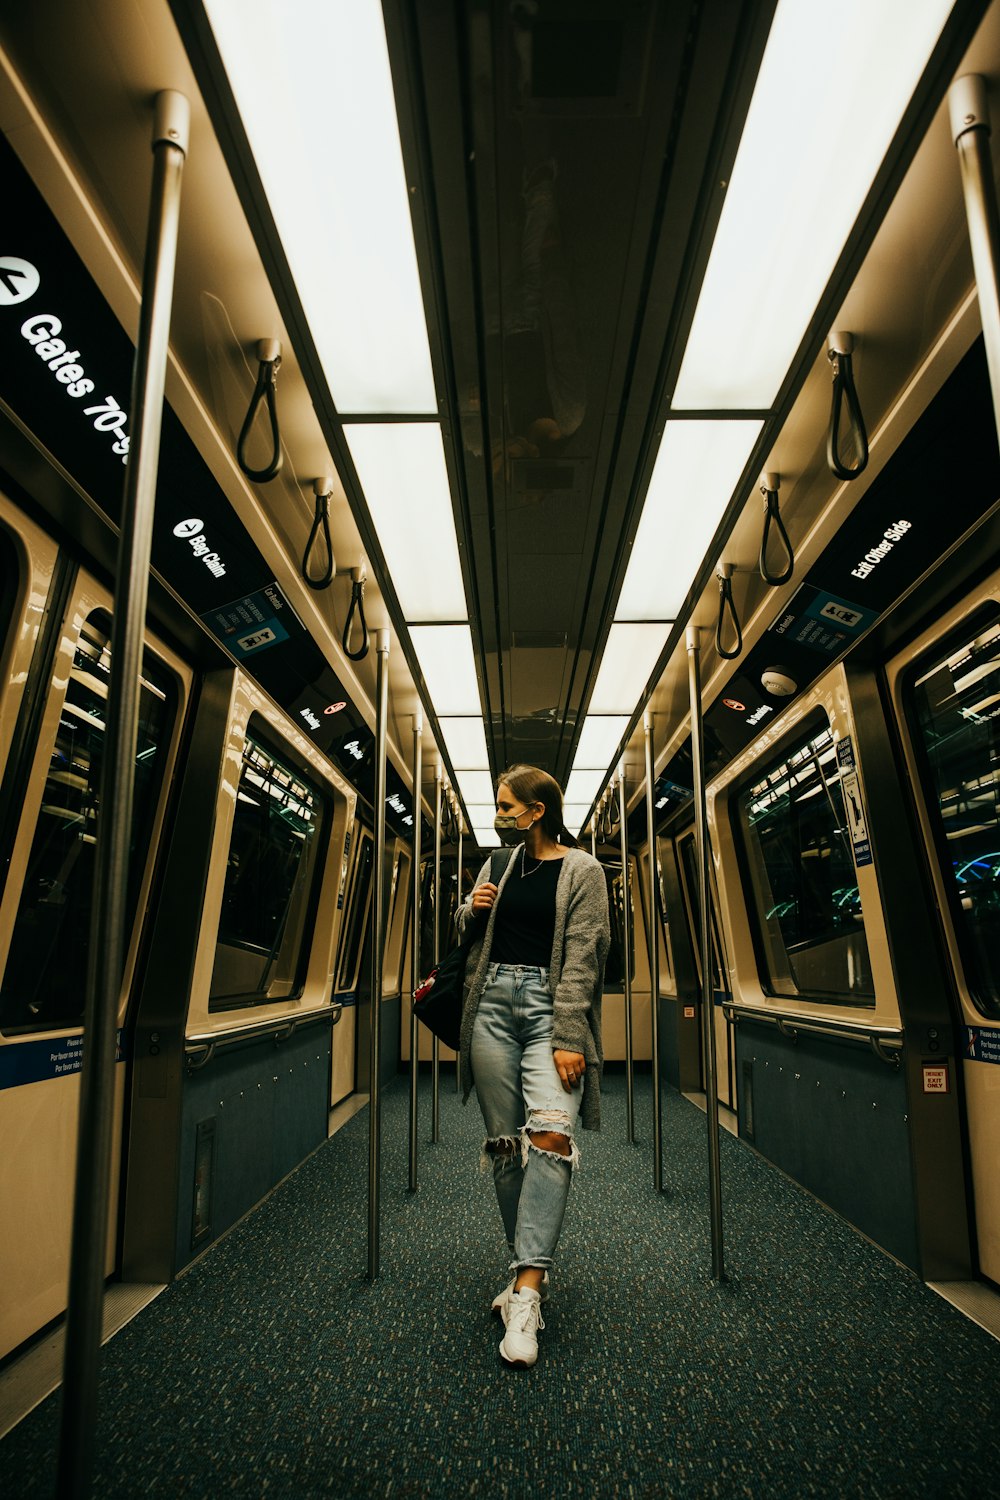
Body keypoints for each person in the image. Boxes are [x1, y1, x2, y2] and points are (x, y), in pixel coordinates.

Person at [453, 765, 610, 1368]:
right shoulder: (498, 865)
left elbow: (584, 953)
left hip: (550, 1009)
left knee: (550, 1134)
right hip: (490, 1006)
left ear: (537, 810)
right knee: (504, 1145)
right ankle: (526, 1269)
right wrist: (472, 907)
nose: (499, 814)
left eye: (506, 805)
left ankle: (526, 1294)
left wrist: (570, 1031)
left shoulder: (584, 870)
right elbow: (464, 937)